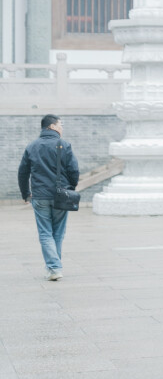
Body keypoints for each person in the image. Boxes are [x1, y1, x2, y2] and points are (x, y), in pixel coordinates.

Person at [18, 114, 80, 281]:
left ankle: (53, 268)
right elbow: (74, 170)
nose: (61, 127)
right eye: (60, 124)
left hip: (39, 196)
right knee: (58, 233)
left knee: (45, 233)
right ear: (52, 126)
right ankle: (54, 267)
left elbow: (23, 172)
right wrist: (70, 188)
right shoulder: (64, 145)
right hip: (61, 194)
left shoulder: (32, 146)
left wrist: (25, 193)